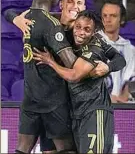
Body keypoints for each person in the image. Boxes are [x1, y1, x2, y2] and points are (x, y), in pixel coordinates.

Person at [32, 9, 126, 154]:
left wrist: (50, 61)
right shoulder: (73, 37)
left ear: (94, 32)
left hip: (95, 112)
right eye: (78, 27)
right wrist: (109, 66)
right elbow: (119, 59)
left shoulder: (95, 48)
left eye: (87, 29)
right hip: (78, 114)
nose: (81, 32)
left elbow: (74, 76)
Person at [4, 0, 79, 154]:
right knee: (66, 149)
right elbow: (72, 64)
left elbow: (8, 12)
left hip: (30, 99)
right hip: (53, 101)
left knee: (22, 149)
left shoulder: (25, 17)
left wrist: (14, 18)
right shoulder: (51, 25)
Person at [99, 1, 135, 103]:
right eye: (104, 16)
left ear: (122, 20)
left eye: (113, 16)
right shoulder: (93, 44)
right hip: (99, 104)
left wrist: (125, 94)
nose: (107, 20)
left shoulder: (130, 49)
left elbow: (132, 77)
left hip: (123, 104)